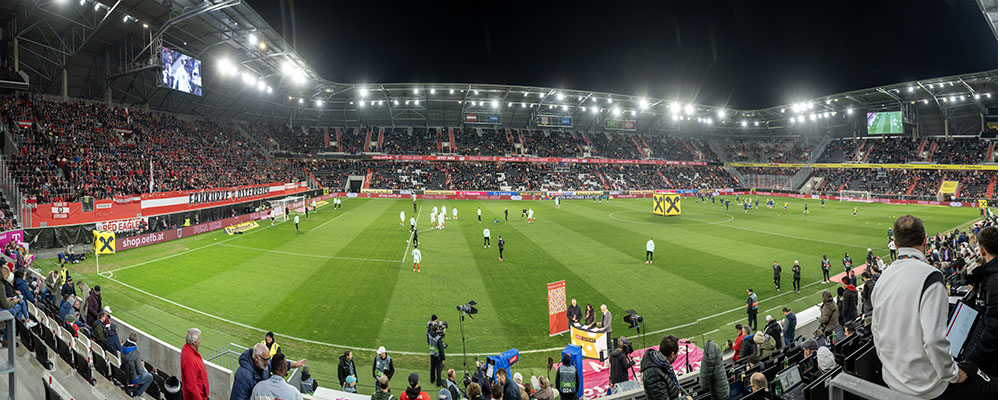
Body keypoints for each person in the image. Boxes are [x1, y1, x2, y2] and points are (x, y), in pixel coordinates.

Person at [873, 215, 996, 399]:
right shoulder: (931, 277)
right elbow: (932, 340)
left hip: (893, 381)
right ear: (925, 241)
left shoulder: (883, 278)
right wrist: (954, 374)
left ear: (896, 245)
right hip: (929, 387)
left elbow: (877, 332)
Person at [965, 226, 997, 376]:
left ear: (982, 251)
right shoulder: (989, 276)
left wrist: (967, 362)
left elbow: (993, 333)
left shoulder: (994, 281)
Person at [641, 335, 692, 400]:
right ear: (672, 354)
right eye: (677, 352)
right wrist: (685, 399)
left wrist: (686, 395)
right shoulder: (653, 374)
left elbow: (674, 384)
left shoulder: (663, 361)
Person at [122, 332, 154, 398]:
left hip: (125, 373)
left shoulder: (122, 348)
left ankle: (135, 390)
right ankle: (137, 394)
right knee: (150, 377)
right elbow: (140, 371)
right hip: (133, 377)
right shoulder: (136, 353)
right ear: (136, 340)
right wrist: (143, 367)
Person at [181, 328, 210, 400]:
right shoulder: (190, 359)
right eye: (199, 338)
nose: (200, 340)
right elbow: (191, 385)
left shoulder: (187, 350)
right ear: (194, 342)